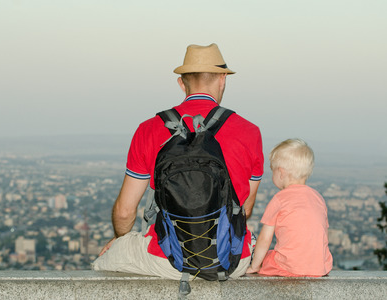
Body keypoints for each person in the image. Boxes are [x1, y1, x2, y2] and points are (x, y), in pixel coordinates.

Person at [92, 43, 264, 279]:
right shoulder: (249, 132)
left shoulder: (149, 129)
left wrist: (121, 241)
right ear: (223, 79)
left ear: (181, 83)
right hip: (232, 261)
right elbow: (245, 208)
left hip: (165, 259)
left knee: (103, 262)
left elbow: (124, 211)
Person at [246, 138, 333, 277]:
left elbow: (265, 239)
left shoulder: (280, 199)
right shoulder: (318, 198)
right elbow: (324, 235)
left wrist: (254, 266)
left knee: (263, 255)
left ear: (281, 172)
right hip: (320, 267)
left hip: (290, 267)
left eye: (272, 170)